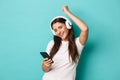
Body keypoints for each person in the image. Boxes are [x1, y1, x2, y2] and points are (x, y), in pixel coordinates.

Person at [41, 5, 88, 80]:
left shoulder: (78, 43)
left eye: (60, 27)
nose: (58, 32)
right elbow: (45, 70)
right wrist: (46, 65)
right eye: (55, 30)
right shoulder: (52, 43)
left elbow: (85, 29)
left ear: (68, 25)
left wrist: (67, 12)